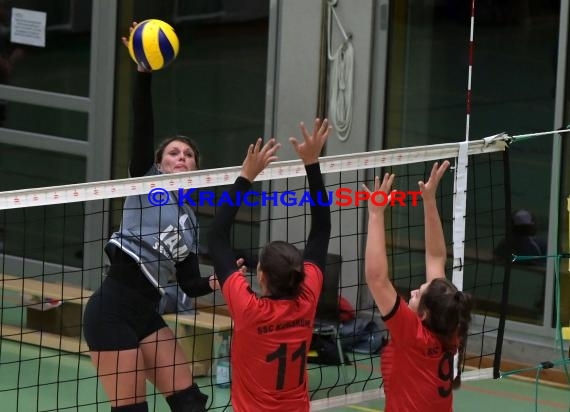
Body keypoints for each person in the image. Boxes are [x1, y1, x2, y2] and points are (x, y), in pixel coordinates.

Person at [82, 23, 216, 412]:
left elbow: (190, 284)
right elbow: (142, 126)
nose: (181, 158)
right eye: (174, 153)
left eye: (188, 155)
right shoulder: (147, 182)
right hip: (111, 312)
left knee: (191, 403)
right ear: (158, 163)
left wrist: (217, 280)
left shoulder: (189, 220)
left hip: (147, 314)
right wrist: (143, 76)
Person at [207, 118, 332, 411]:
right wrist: (312, 163)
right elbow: (321, 231)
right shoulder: (308, 297)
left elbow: (215, 236)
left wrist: (246, 176)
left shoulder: (251, 311)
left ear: (260, 276)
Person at [363, 161, 473, 412]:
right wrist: (430, 201)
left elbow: (377, 278)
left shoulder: (414, 333)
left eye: (417, 294)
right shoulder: (449, 327)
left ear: (423, 315)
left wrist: (376, 214)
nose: (413, 291)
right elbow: (435, 257)